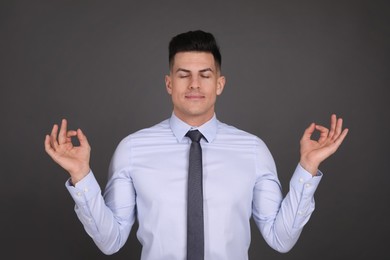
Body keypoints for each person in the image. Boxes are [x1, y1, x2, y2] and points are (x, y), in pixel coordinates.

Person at [44, 30, 348, 260]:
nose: (194, 85)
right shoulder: (132, 149)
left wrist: (307, 169)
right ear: (169, 83)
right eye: (183, 75)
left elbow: (281, 239)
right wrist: (81, 176)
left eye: (205, 75)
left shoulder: (253, 150)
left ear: (219, 83)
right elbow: (110, 242)